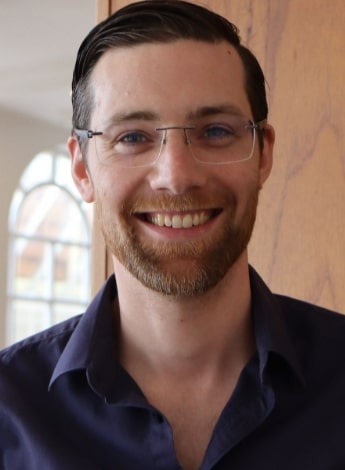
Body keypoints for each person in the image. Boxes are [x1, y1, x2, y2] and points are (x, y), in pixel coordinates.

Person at [1, 1, 345, 469]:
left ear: (262, 155)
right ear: (82, 169)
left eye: (216, 131)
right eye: (133, 137)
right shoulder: (9, 409)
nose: (177, 176)